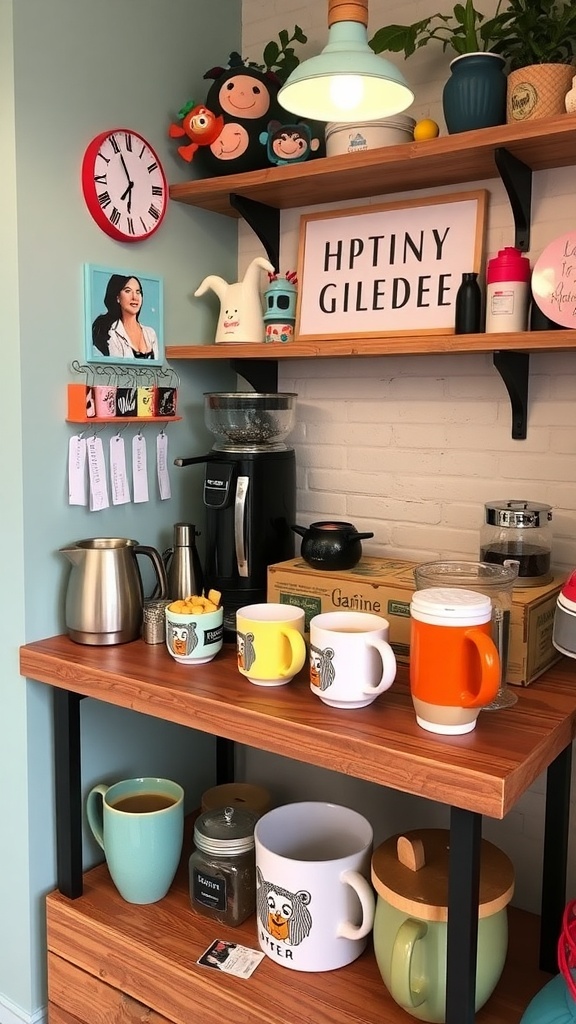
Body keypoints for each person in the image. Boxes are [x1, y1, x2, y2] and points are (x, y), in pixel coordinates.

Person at [92, 274, 159, 359]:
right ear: (117, 297)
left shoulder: (150, 334)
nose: (135, 297)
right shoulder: (111, 333)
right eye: (128, 291)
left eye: (138, 292)